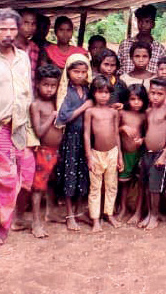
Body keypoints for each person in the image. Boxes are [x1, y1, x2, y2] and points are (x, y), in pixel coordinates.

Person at [0, 8, 36, 245]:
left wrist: (31, 132)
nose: (9, 34)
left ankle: (12, 218)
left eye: (13, 29)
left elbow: (27, 95)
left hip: (20, 127)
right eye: (3, 29)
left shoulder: (22, 57)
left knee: (24, 175)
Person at [54, 54, 93, 231]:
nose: (79, 75)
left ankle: (79, 212)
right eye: (76, 71)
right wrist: (83, 107)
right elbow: (63, 117)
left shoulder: (88, 90)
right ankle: (69, 215)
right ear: (68, 72)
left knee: (83, 175)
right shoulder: (65, 91)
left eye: (83, 72)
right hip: (70, 138)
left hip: (87, 138)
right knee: (69, 175)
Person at [84, 76, 124, 232]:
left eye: (107, 93)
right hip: (96, 154)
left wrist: (120, 155)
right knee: (95, 187)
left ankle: (109, 213)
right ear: (94, 93)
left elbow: (116, 134)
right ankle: (95, 219)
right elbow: (87, 135)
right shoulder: (90, 112)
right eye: (100, 92)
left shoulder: (113, 112)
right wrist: (89, 157)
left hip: (112, 152)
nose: (103, 96)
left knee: (111, 185)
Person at [29, 64, 63, 239]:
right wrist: (52, 116)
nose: (49, 89)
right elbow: (39, 131)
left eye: (53, 85)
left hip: (56, 150)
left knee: (52, 183)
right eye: (45, 85)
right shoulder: (37, 105)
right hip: (43, 150)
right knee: (38, 187)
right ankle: (36, 221)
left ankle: (50, 212)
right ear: (38, 85)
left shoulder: (55, 101)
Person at [139, 78, 166, 230]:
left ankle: (154, 215)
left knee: (155, 188)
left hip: (159, 154)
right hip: (146, 153)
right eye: (152, 93)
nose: (155, 97)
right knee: (146, 185)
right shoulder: (147, 111)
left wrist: (164, 155)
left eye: (159, 94)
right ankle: (148, 214)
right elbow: (147, 131)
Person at [117, 84, 149, 224]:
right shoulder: (122, 114)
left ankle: (138, 210)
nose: (136, 103)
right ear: (127, 99)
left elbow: (148, 133)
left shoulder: (144, 115)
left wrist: (142, 140)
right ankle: (123, 208)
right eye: (133, 99)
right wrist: (122, 127)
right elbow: (114, 131)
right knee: (124, 183)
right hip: (125, 153)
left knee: (140, 183)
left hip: (139, 153)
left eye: (140, 99)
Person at [117, 4, 166, 75]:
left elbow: (163, 72)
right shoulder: (125, 44)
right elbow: (117, 67)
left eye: (147, 22)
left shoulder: (159, 49)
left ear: (153, 24)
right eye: (140, 21)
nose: (143, 25)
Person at [15, 8, 41, 83]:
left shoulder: (34, 48)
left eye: (33, 24)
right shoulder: (9, 47)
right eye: (26, 23)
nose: (30, 27)